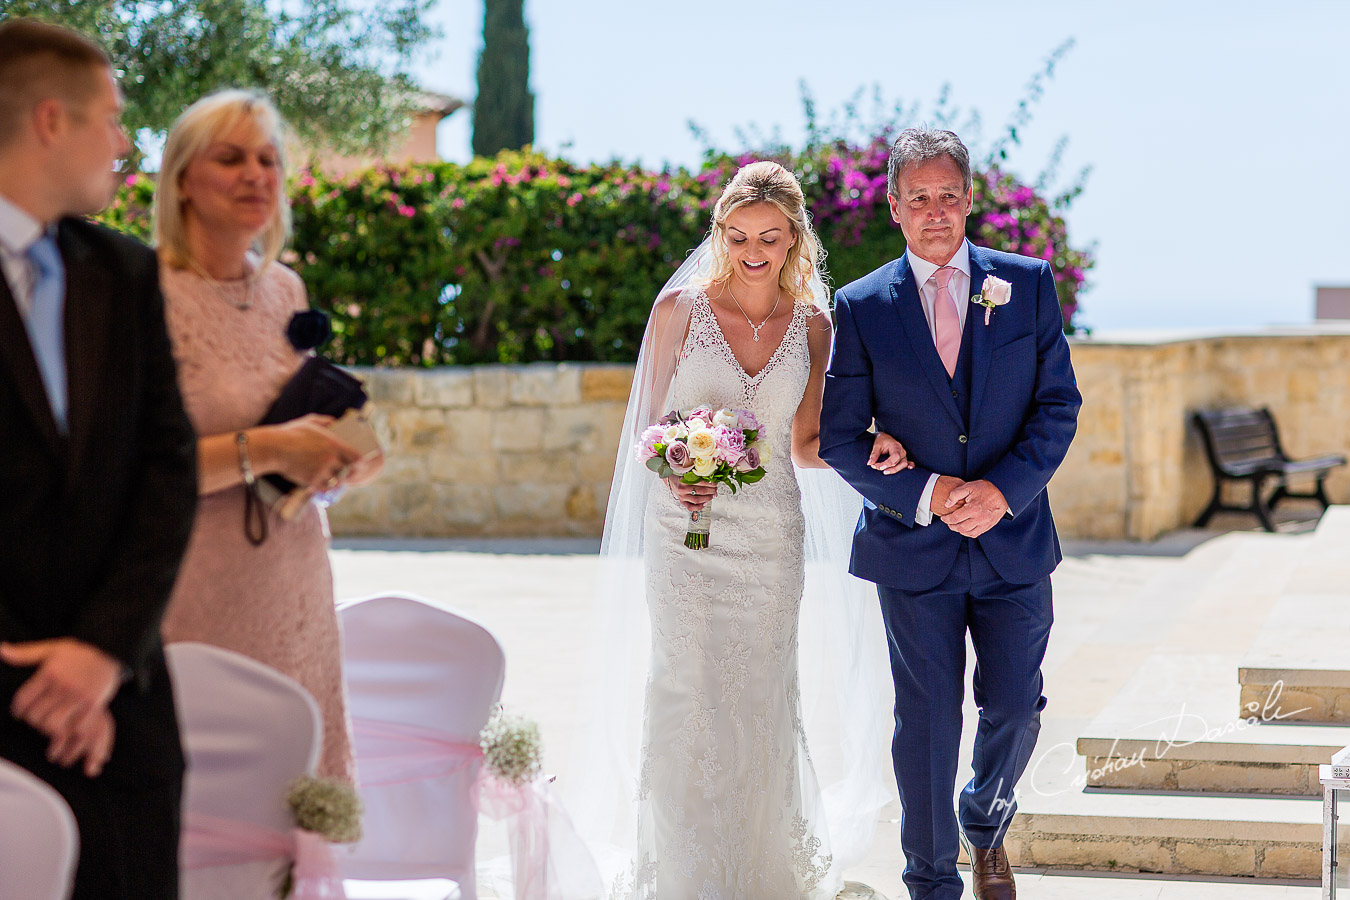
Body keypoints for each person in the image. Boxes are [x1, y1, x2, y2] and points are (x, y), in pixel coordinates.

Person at [576, 161, 903, 898]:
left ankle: (762, 868)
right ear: (721, 235)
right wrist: (673, 468)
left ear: (795, 241)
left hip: (770, 539)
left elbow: (807, 443)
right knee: (685, 688)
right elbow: (648, 427)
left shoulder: (816, 328)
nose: (754, 250)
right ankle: (683, 870)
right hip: (683, 531)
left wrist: (879, 442)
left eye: (771, 237)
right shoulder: (680, 313)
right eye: (739, 235)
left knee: (760, 691)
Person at [819, 128, 1082, 900]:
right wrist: (929, 494)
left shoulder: (1025, 284)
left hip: (1014, 541)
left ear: (970, 201)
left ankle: (985, 819)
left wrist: (1001, 491)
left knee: (1014, 706)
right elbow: (840, 435)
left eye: (949, 196)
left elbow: (1057, 406)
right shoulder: (862, 306)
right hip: (914, 549)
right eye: (919, 198)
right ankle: (929, 880)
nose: (936, 212)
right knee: (927, 722)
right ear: (894, 207)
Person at [0, 19, 198, 899]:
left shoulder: (122, 272)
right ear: (50, 120)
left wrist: (99, 654)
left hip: (124, 711)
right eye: (111, 119)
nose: (124, 143)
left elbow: (168, 470)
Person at [153, 89, 380, 782]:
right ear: (184, 179)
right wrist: (277, 450)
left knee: (297, 807)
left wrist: (341, 460)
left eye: (268, 158)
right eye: (230, 158)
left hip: (296, 578)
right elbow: (136, 469)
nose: (256, 174)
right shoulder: (142, 297)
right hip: (192, 590)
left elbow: (295, 410)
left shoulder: (286, 289)